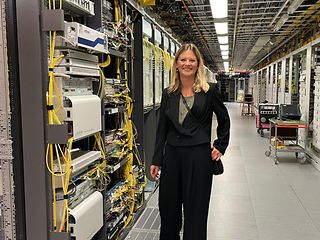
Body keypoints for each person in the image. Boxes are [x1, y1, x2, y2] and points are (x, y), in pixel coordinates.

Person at [150, 43, 230, 240]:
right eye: (183, 59)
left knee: (196, 211)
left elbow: (224, 119)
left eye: (191, 60)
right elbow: (162, 128)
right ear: (176, 63)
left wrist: (220, 146)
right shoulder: (169, 93)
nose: (187, 63)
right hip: (173, 157)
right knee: (168, 209)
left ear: (198, 64)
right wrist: (156, 159)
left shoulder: (209, 90)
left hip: (199, 158)